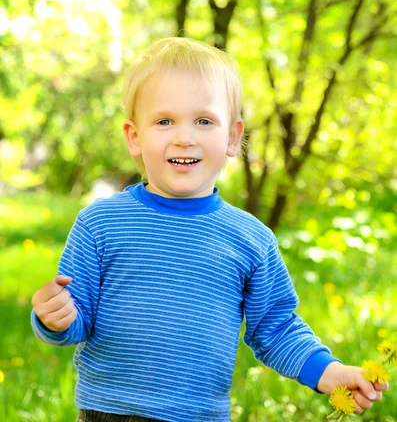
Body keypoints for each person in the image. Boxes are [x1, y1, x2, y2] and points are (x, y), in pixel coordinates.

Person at [31, 37, 388, 422]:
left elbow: (276, 327)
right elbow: (76, 316)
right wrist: (55, 319)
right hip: (109, 410)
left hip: (198, 415)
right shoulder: (101, 224)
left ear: (232, 137)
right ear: (135, 137)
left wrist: (330, 373)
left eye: (204, 121)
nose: (185, 137)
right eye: (164, 121)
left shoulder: (250, 239)